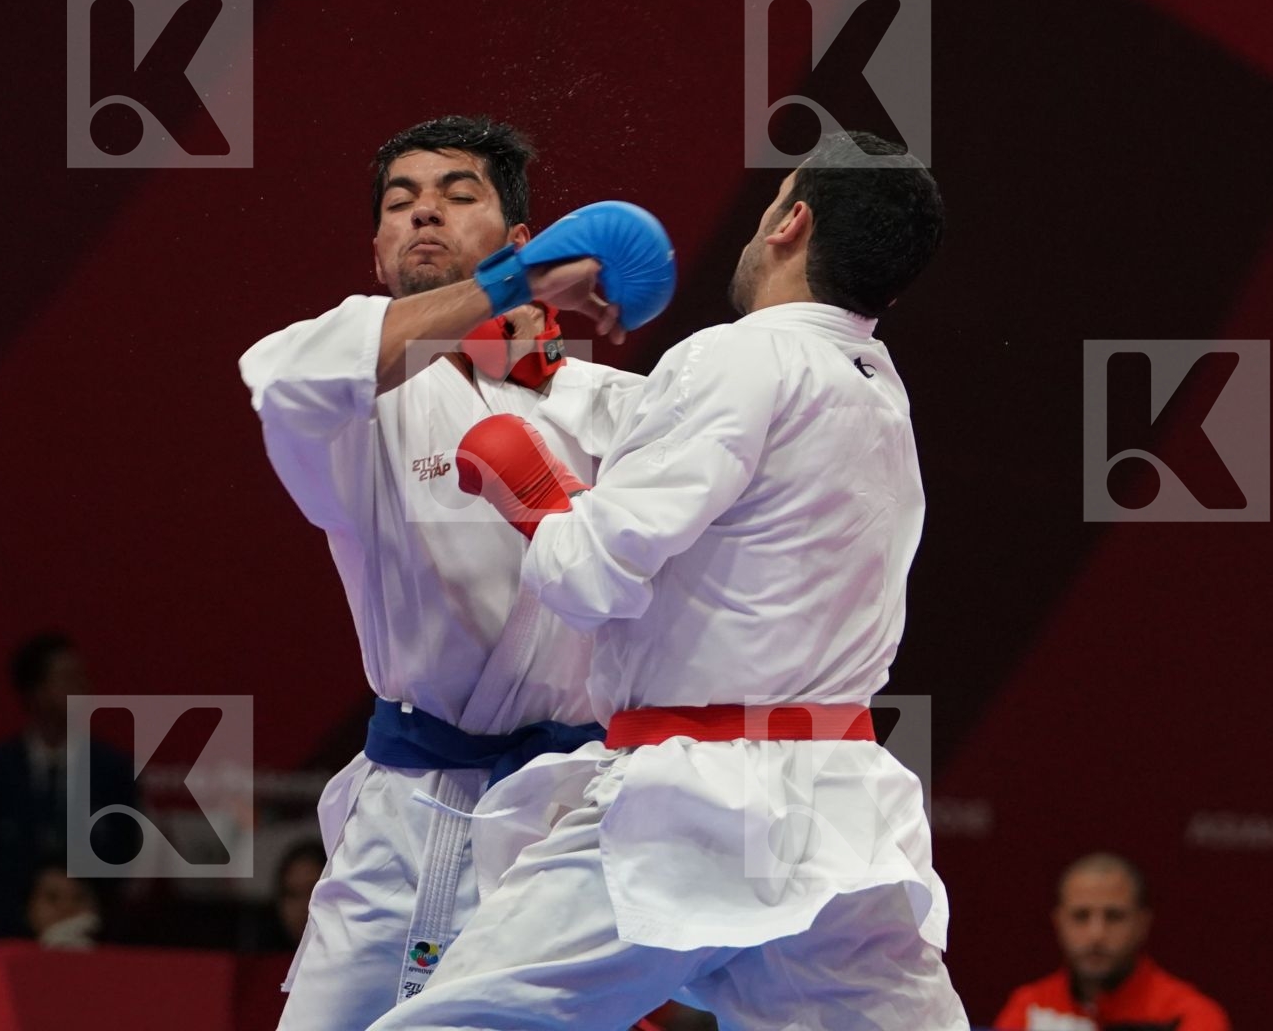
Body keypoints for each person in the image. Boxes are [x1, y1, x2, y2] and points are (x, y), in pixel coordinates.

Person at [370, 131, 965, 1029]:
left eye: (773, 201)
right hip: (839, 813)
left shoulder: (736, 355)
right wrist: (541, 377)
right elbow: (683, 426)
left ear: (791, 222)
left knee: (460, 1020)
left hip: (698, 804)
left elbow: (587, 577)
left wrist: (538, 495)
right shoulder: (871, 384)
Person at [238, 114, 667, 1029]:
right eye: (401, 203)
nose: (423, 213)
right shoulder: (355, 396)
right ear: (379, 251)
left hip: (564, 821)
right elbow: (282, 383)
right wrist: (503, 289)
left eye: (457, 194)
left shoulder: (624, 406)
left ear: (522, 236)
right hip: (404, 813)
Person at [0, 631, 137, 937]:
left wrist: (79, 908)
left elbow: (124, 852)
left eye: (82, 679)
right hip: (9, 933)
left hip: (94, 935)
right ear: (36, 691)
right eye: (68, 679)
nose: (82, 690)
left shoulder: (113, 770)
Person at [995, 853, 1229, 1031]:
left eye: (1114, 916)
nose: (1097, 933)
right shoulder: (1028, 1007)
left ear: (1142, 923)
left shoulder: (1188, 1016)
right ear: (1059, 922)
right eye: (1081, 916)